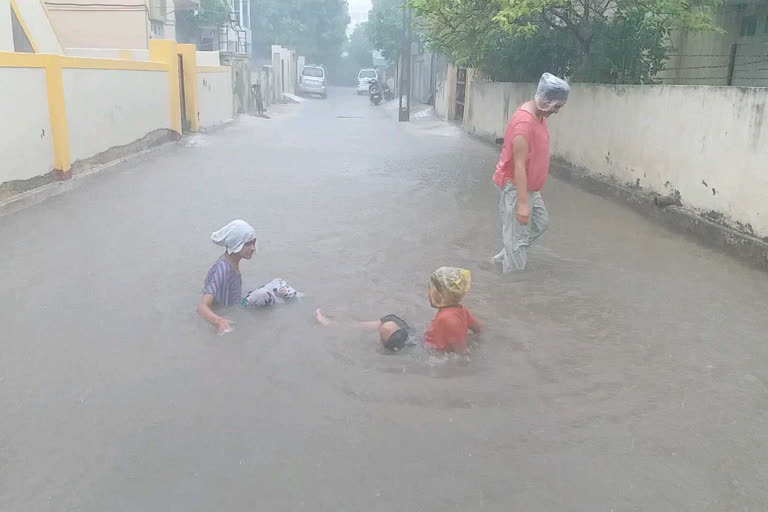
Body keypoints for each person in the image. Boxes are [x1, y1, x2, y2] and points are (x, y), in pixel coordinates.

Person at [492, 72, 570, 272]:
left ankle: (506, 255)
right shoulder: (524, 124)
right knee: (518, 240)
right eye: (557, 106)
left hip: (530, 188)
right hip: (515, 187)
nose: (557, 111)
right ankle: (512, 285)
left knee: (540, 223)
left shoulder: (538, 114)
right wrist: (523, 203)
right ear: (545, 100)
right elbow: (518, 164)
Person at [315, 267, 481, 355]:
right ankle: (337, 324)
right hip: (422, 340)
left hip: (421, 351)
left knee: (387, 327)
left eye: (431, 289)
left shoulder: (447, 319)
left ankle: (335, 326)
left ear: (441, 294)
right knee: (390, 318)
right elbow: (478, 329)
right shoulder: (461, 309)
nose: (428, 293)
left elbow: (461, 353)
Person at [197, 220, 300, 335]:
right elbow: (202, 307)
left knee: (278, 283)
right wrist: (219, 321)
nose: (253, 248)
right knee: (263, 295)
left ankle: (299, 305)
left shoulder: (231, 261)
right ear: (235, 244)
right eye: (247, 244)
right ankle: (291, 311)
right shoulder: (222, 269)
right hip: (236, 306)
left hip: (238, 300)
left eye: (253, 243)